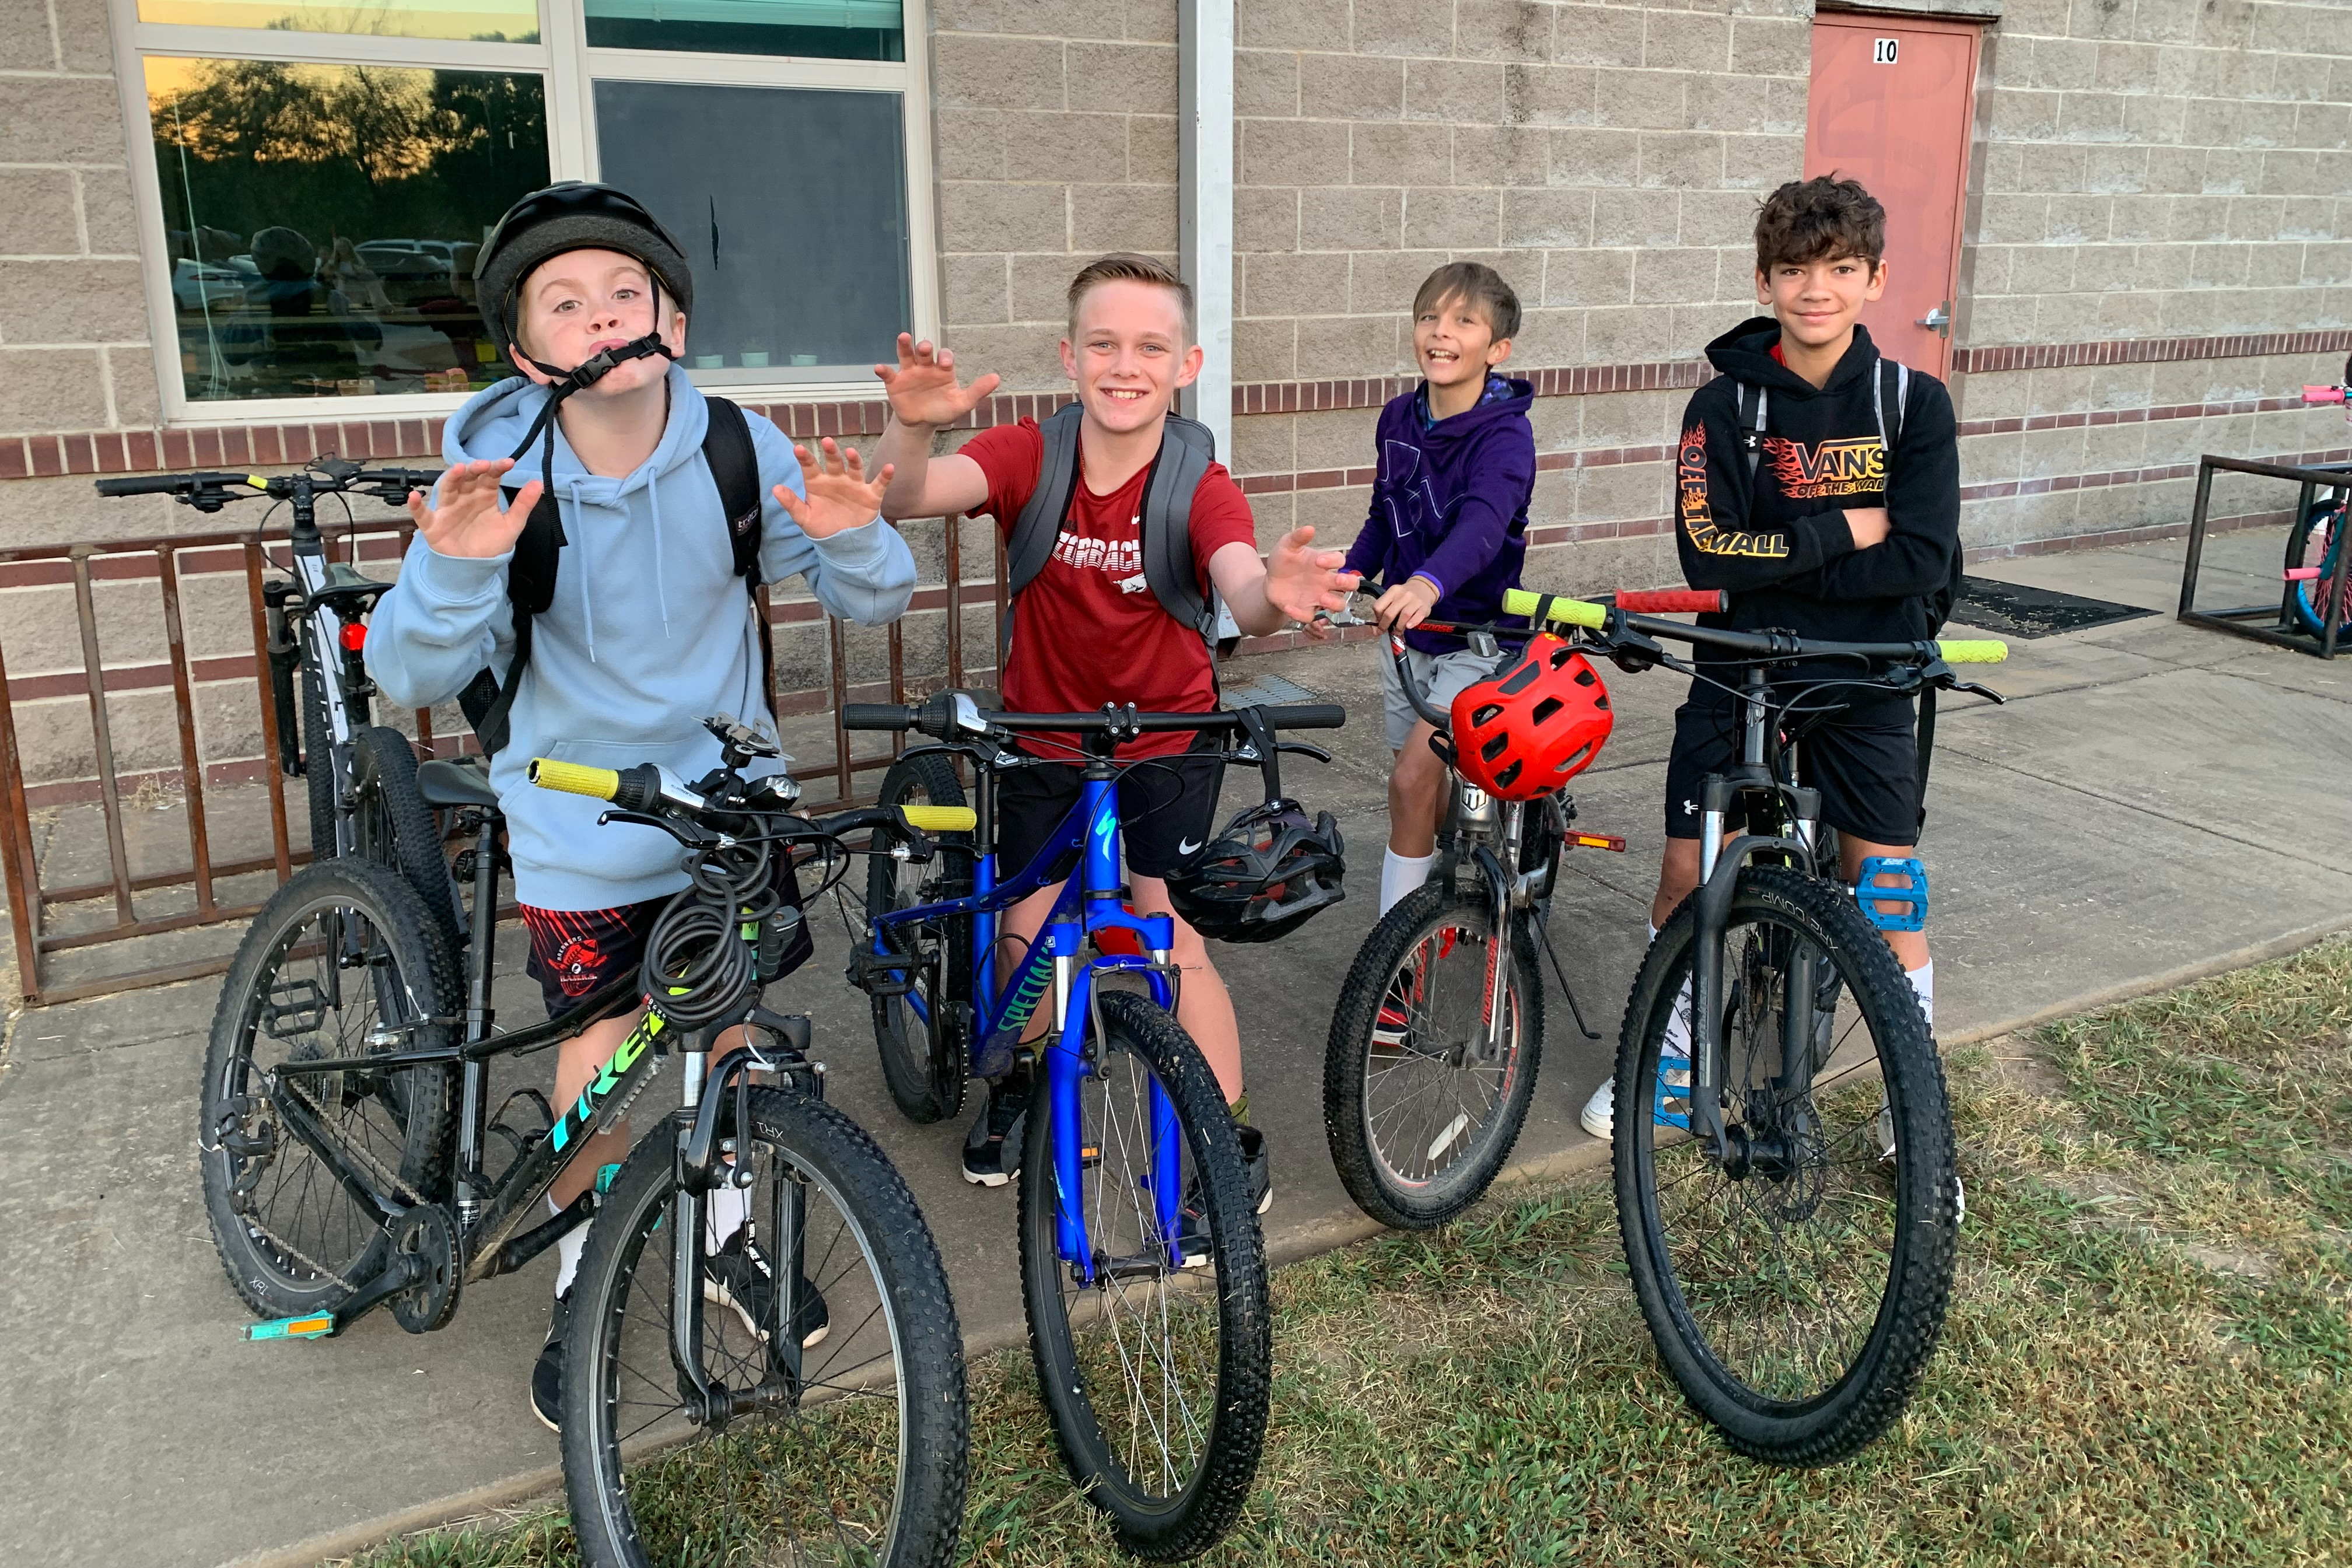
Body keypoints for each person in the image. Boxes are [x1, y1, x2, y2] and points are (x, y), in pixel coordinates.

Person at [366, 183, 917, 1429]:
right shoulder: (496, 476)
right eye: (568, 303)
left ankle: (723, 1239)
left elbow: (872, 597)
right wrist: (453, 570)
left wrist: (859, 540)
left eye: (631, 293)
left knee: (726, 1028)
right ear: (525, 350)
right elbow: (404, 674)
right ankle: (585, 1273)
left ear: (675, 318)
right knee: (605, 1061)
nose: (606, 317)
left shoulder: (739, 444)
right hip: (577, 820)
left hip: (726, 812)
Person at [866, 253, 1359, 1209]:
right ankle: (1022, 1085)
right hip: (1044, 735)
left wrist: (1273, 600)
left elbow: (1240, 584)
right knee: (1029, 928)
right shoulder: (1030, 455)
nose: (1124, 364)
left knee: (1170, 937)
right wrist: (912, 427)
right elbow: (902, 496)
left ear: (1186, 363)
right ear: (1069, 354)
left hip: (1168, 738)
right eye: (1103, 342)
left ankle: (1218, 1137)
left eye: (1149, 345)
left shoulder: (1197, 479)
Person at [1578, 174, 1959, 1140]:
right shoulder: (1718, 406)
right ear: (1763, 281)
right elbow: (1705, 555)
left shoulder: (1913, 404)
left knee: (1885, 886)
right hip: (1736, 664)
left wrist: (1785, 558)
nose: (1815, 288)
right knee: (1682, 875)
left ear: (1874, 280)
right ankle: (1663, 1056)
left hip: (1867, 673)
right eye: (1793, 269)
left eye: (1838, 268)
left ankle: (1909, 1103)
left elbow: (1920, 556)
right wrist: (1844, 534)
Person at [1340, 261, 1536, 915]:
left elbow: (1484, 525)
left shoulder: (1507, 433)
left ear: (1496, 349)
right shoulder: (1399, 415)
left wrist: (1427, 582)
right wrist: (1343, 582)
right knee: (1423, 790)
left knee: (1409, 779)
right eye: (1429, 316)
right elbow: (1383, 516)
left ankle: (1397, 962)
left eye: (1463, 321)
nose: (1440, 332)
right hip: (1407, 639)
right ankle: (1441, 898)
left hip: (1474, 641)